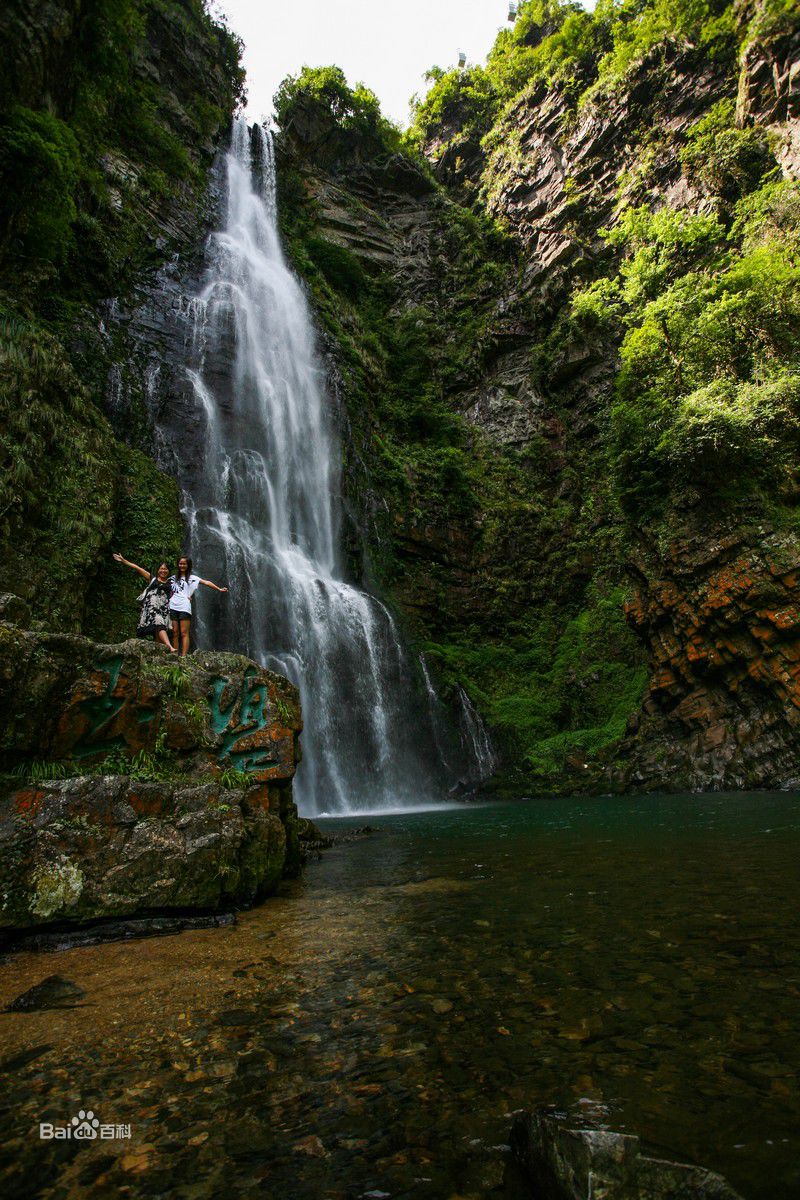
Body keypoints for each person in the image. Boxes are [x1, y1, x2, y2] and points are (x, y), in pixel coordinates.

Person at [112, 553, 176, 652]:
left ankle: (158, 653)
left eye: (165, 569)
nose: (163, 571)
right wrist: (124, 561)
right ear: (158, 570)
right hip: (152, 606)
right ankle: (170, 647)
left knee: (158, 629)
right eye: (161, 569)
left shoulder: (170, 583)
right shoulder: (152, 579)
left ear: (168, 571)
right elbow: (138, 568)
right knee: (159, 623)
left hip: (163, 608)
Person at [169, 555, 228, 656]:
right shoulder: (173, 578)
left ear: (188, 565)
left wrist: (218, 589)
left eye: (184, 564)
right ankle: (175, 655)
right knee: (175, 632)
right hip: (172, 606)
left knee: (184, 633)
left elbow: (206, 582)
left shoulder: (192, 578)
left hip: (184, 607)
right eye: (180, 563)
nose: (182, 565)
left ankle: (183, 657)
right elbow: (161, 583)